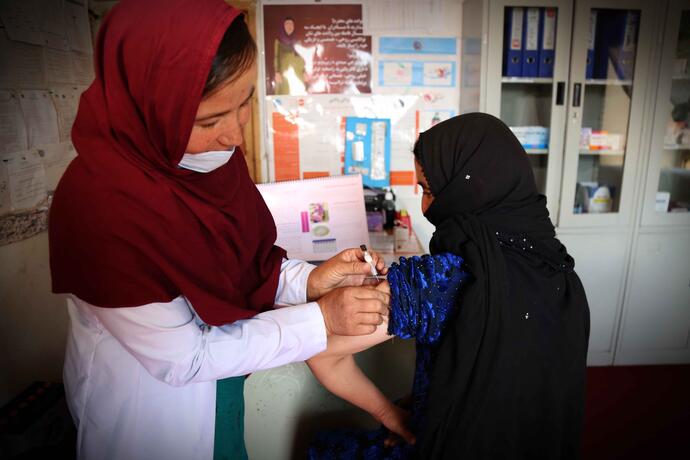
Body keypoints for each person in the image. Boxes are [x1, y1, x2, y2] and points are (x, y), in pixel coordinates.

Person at [48, 1, 389, 459]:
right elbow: (185, 358)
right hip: (154, 416)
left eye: (245, 101)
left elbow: (245, 263)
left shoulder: (209, 158)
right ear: (152, 108)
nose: (234, 135)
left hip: (223, 386)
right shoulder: (102, 206)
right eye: (209, 120)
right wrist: (323, 317)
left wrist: (310, 279)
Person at [306, 113, 591, 459]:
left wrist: (391, 415)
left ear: (467, 187)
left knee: (320, 448)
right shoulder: (559, 269)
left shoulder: (439, 280)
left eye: (428, 190)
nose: (426, 206)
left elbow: (321, 353)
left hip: (445, 444)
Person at [273, 17, 307, 95]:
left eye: (291, 24)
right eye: (287, 24)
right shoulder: (278, 41)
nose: (289, 26)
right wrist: (277, 72)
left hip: (297, 73)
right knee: (284, 94)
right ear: (283, 26)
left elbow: (301, 58)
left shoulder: (297, 42)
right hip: (284, 73)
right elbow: (276, 57)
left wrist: (304, 71)